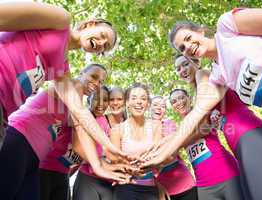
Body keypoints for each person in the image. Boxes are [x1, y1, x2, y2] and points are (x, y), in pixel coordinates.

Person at [143, 55, 262, 200]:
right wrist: (158, 149)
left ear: (196, 61)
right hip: (240, 146)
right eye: (178, 68)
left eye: (186, 63)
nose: (182, 70)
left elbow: (196, 127)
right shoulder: (199, 95)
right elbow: (193, 130)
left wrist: (161, 153)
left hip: (253, 138)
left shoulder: (204, 76)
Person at [168, 7, 262, 162]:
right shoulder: (218, 76)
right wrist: (163, 153)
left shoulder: (228, 26)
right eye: (182, 48)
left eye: (188, 38)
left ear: (200, 31)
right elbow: (198, 112)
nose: (188, 46)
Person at [0, 1, 123, 158]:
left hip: (4, 116)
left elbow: (79, 110)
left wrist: (109, 146)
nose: (101, 44)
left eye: (104, 47)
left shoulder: (62, 69)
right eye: (102, 36)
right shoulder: (61, 20)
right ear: (91, 24)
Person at [0, 63, 128, 200]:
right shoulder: (72, 87)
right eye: (94, 77)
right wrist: (103, 159)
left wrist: (105, 163)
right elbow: (80, 134)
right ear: (81, 72)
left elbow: (78, 141)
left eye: (101, 81)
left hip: (40, 159)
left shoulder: (76, 103)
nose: (96, 83)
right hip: (19, 137)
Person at [170, 88, 244, 200]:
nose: (179, 102)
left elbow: (214, 117)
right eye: (174, 101)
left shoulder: (203, 113)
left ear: (189, 98)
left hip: (226, 173)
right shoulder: (179, 129)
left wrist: (214, 114)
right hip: (203, 184)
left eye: (181, 98)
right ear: (172, 107)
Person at [110, 83, 162, 200]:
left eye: (143, 98)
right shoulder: (117, 130)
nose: (139, 102)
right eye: (134, 98)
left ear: (148, 104)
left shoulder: (156, 126)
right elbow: (116, 162)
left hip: (150, 188)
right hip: (125, 187)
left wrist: (131, 161)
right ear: (127, 103)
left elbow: (158, 158)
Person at [150, 96, 197, 200]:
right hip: (162, 190)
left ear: (165, 111)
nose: (159, 108)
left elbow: (171, 155)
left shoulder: (169, 124)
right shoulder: (142, 129)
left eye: (162, 106)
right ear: (149, 106)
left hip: (185, 184)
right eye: (155, 105)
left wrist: (154, 156)